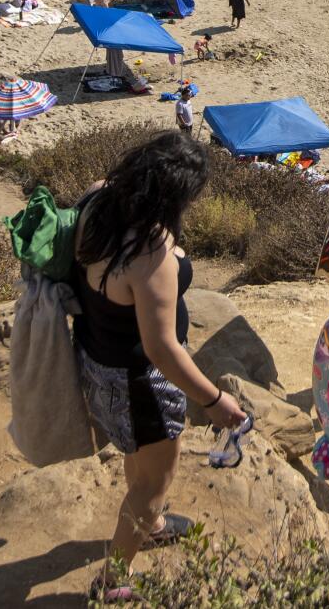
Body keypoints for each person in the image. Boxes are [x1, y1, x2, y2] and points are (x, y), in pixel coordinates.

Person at [72, 132, 247, 600]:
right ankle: (112, 582)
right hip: (137, 382)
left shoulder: (97, 197)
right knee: (156, 476)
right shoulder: (149, 253)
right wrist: (213, 399)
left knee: (138, 455)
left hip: (97, 357)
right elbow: (161, 348)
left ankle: (151, 522)